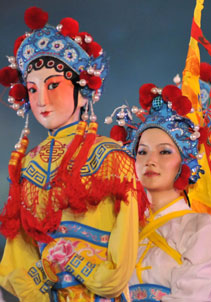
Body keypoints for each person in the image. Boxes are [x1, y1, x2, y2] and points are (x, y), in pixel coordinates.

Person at [0, 7, 142, 301]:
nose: (42, 100)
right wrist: (42, 280)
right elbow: (15, 264)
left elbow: (122, 260)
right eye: (32, 89)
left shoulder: (110, 156)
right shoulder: (27, 165)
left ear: (82, 88)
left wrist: (72, 260)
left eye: (53, 85)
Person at [108, 83, 211, 301]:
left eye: (164, 152)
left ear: (184, 163)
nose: (150, 161)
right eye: (142, 152)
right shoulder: (122, 226)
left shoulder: (199, 227)